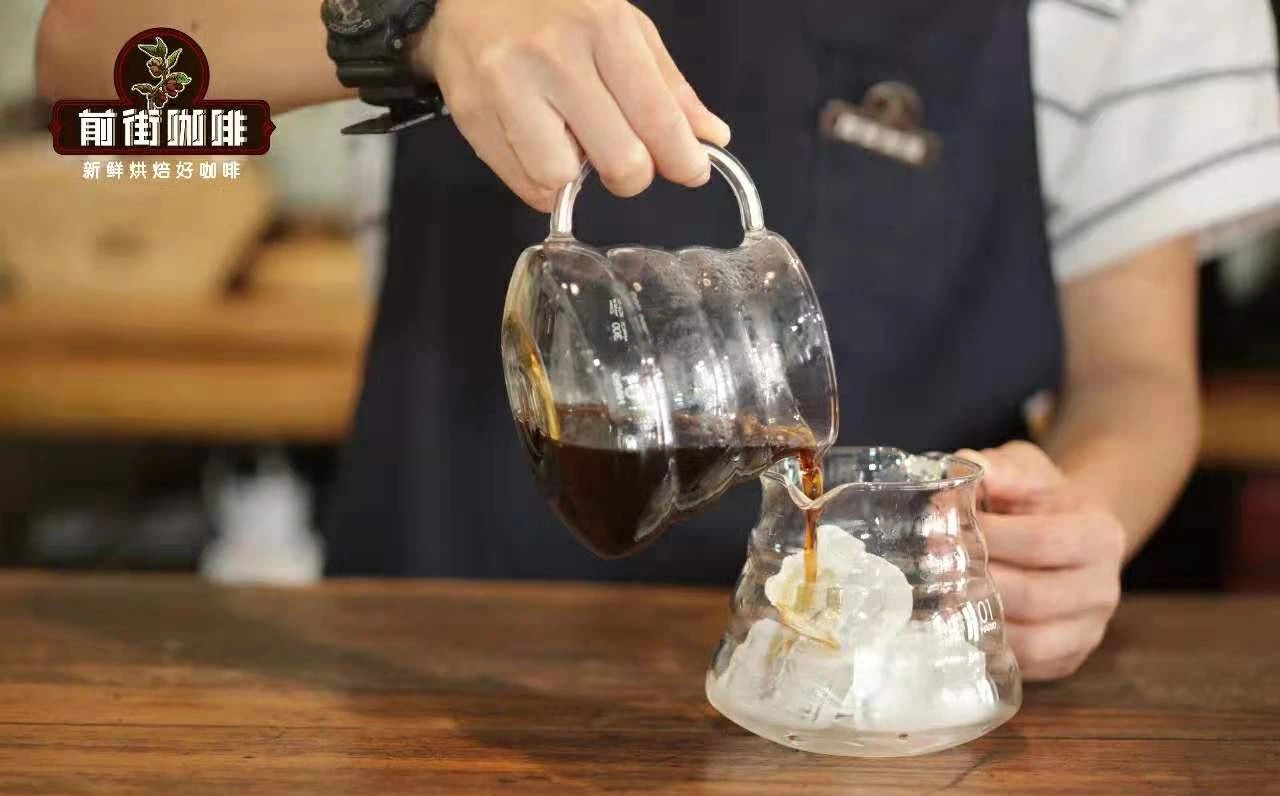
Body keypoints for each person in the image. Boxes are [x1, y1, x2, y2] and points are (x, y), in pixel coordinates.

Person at [37, 0, 1280, 680]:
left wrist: (1081, 519)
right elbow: (85, 95)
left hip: (881, 720)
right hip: (424, 699)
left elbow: (1137, 373)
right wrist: (407, 24)